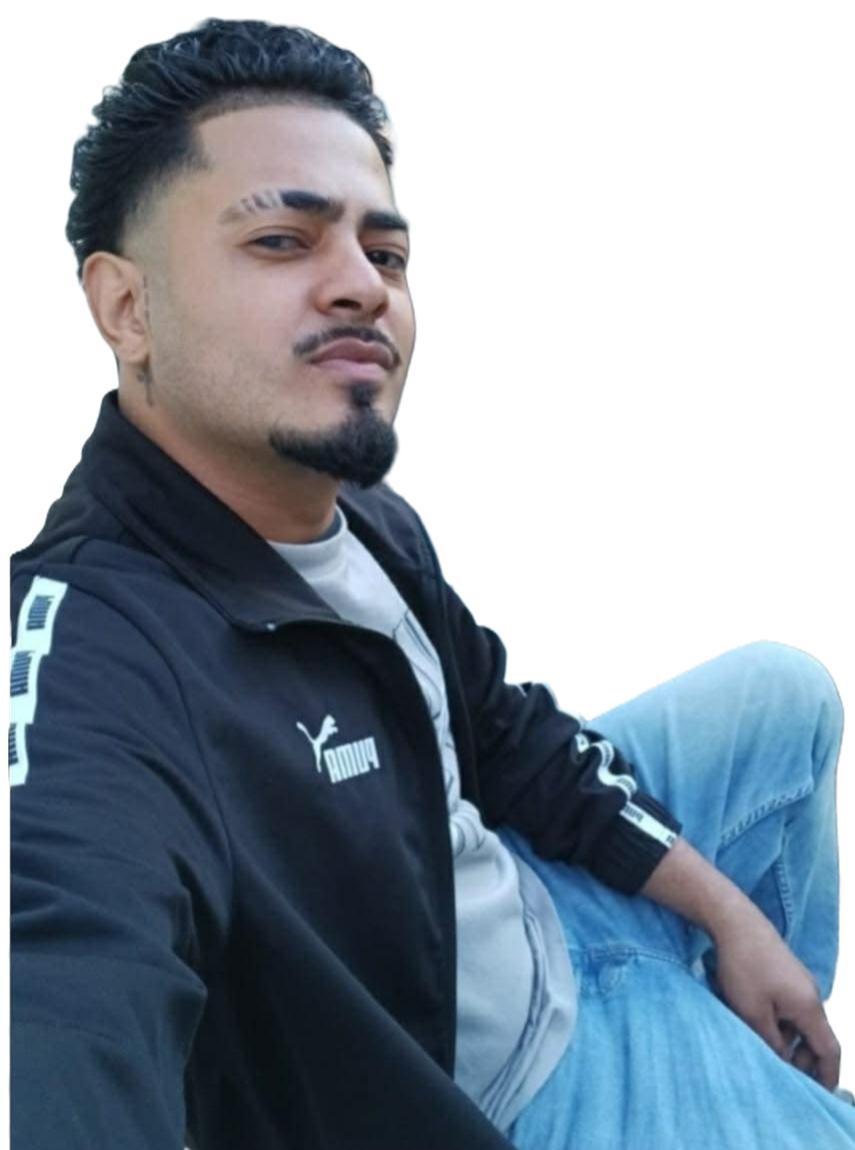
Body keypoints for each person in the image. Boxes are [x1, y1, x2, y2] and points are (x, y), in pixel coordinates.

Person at [9, 17, 854, 1150]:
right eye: (282, 241)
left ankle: (754, 1036)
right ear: (126, 307)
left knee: (784, 696)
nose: (360, 287)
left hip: (525, 919)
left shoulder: (353, 510)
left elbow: (502, 732)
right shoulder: (98, 662)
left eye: (386, 253)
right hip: (509, 1089)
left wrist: (728, 914)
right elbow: (65, 987)